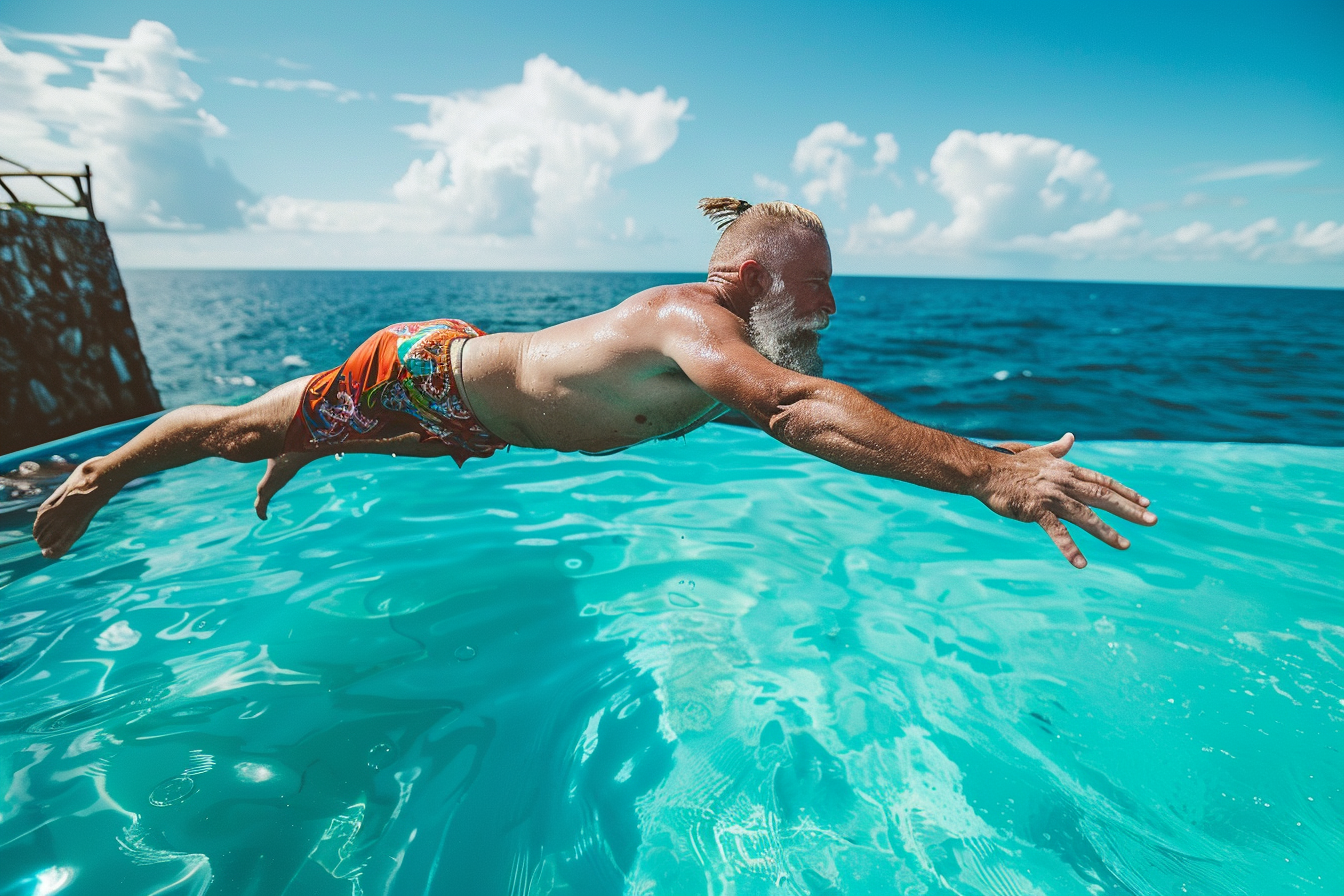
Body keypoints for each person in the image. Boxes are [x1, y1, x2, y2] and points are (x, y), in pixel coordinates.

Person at [33, 197, 1156, 564]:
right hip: (422, 374)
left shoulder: (737, 342)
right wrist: (982, 480)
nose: (829, 308)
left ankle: (321, 431)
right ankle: (99, 469)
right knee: (236, 431)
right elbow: (797, 408)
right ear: (753, 276)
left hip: (471, 410)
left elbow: (817, 415)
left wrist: (991, 449)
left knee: (327, 435)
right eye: (815, 286)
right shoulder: (689, 316)